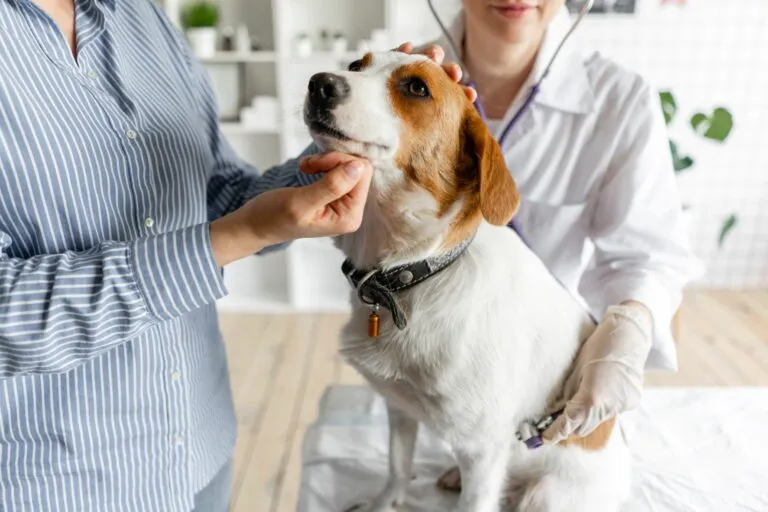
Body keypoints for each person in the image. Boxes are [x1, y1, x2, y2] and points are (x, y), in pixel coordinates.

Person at [0, 1, 467, 510]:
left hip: (200, 449)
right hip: (64, 485)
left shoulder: (139, 16)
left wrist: (359, 140)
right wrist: (232, 237)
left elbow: (220, 192)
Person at [425, 0, 696, 452]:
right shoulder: (399, 77)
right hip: (429, 372)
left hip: (552, 375)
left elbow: (647, 257)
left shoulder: (619, 100)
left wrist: (629, 324)